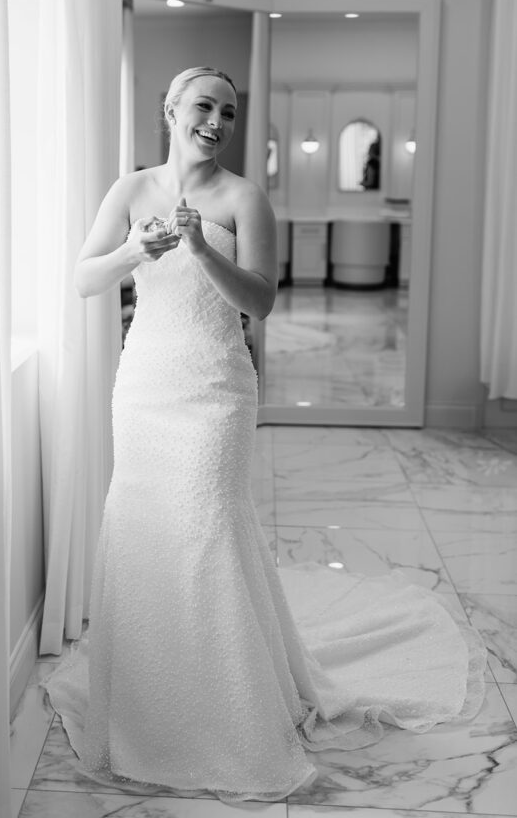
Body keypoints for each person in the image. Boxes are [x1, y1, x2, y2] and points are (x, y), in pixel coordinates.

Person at [43, 66, 485, 803]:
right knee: (145, 531)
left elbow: (263, 301)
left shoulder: (245, 197)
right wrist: (134, 252)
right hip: (146, 385)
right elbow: (86, 279)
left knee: (206, 529)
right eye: (203, 107)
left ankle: (226, 712)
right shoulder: (129, 190)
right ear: (171, 109)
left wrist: (202, 250)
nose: (216, 120)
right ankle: (149, 699)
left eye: (228, 111)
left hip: (215, 387)